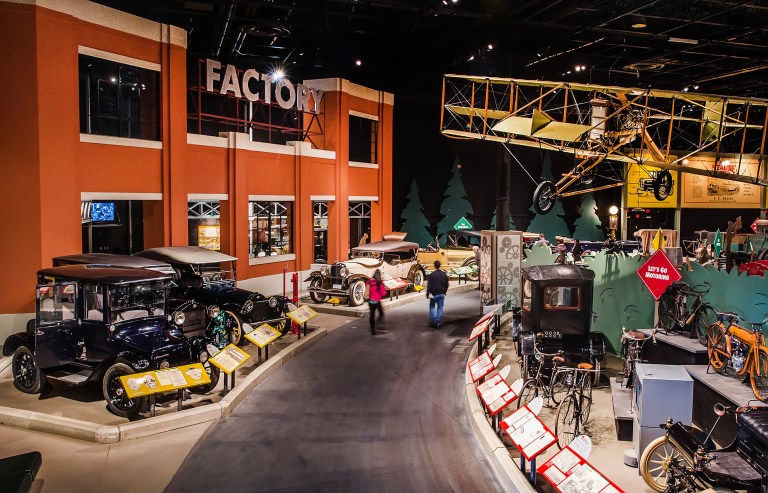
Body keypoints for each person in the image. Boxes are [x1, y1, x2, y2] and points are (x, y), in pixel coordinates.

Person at [426, 260, 449, 328]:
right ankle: (438, 321)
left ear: (434, 266)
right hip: (442, 293)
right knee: (440, 308)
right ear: (440, 265)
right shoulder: (444, 274)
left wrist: (428, 293)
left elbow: (429, 286)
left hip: (434, 294)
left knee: (432, 307)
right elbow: (447, 284)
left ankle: (434, 321)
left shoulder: (432, 275)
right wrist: (444, 291)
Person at [367, 269, 387, 335]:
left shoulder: (370, 281)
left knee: (372, 315)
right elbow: (383, 293)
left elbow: (366, 285)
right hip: (377, 302)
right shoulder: (379, 283)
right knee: (381, 313)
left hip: (370, 301)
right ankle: (377, 323)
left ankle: (373, 330)